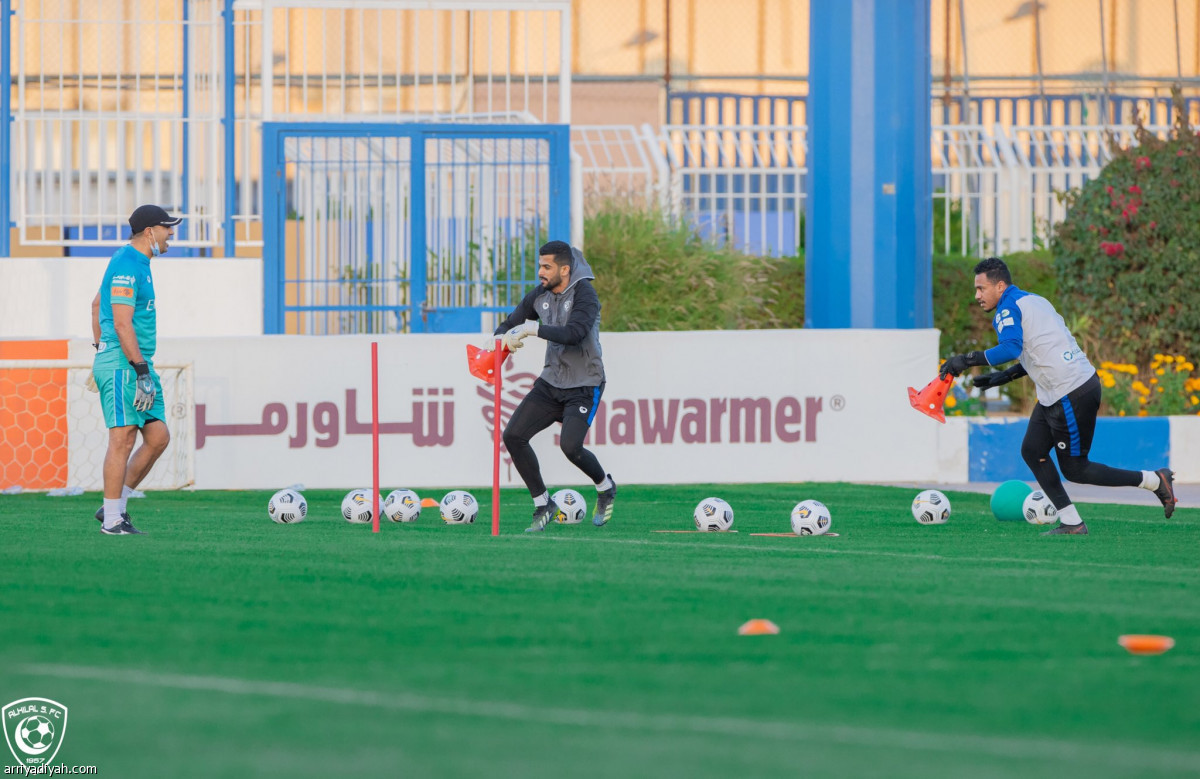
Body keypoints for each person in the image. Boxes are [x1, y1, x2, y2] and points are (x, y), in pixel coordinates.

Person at [940, 257, 1177, 535]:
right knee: (1033, 451)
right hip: (1064, 389)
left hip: (1070, 391)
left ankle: (1154, 480)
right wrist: (1003, 377)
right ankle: (1072, 522)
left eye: (981, 288)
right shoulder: (1035, 301)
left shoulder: (1006, 309)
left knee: (1077, 469)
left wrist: (965, 360)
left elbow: (1011, 347)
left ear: (1000, 286)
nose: (977, 296)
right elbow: (1040, 351)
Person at [493, 240, 616, 532]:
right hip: (550, 383)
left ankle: (605, 486)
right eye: (540, 266)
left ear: (565, 269)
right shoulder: (540, 295)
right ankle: (543, 504)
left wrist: (534, 329)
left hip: (585, 384)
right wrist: (498, 339)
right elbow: (510, 322)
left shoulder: (586, 295)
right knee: (513, 436)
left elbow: (574, 334)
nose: (540, 272)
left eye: (546, 267)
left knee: (570, 447)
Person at [89, 205, 182, 535]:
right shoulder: (129, 264)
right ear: (149, 232)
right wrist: (130, 365)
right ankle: (113, 520)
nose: (172, 233)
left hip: (134, 363)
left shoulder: (133, 261)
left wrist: (100, 350)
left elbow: (97, 303)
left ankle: (113, 505)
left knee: (158, 437)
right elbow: (121, 322)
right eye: (167, 227)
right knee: (123, 438)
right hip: (125, 364)